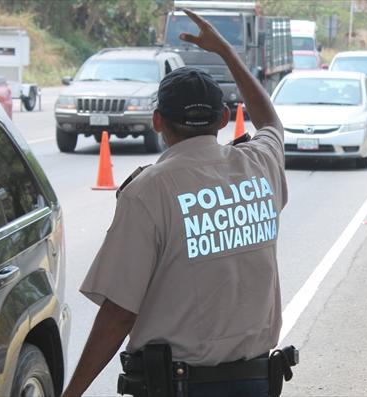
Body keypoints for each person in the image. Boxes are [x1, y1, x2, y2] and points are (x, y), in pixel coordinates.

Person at [62, 8, 287, 397]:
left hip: (178, 387)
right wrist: (227, 54)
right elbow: (271, 122)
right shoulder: (260, 164)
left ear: (157, 122)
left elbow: (117, 314)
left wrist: (72, 392)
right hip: (255, 383)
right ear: (222, 120)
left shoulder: (150, 191)